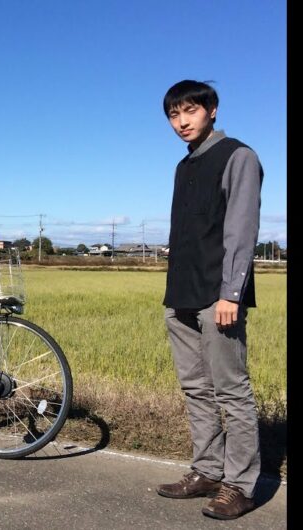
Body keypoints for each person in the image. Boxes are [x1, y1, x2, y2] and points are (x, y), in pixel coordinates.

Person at [155, 80, 264, 520]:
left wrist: (230, 294)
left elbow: (241, 230)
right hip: (180, 293)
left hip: (218, 298)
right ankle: (206, 470)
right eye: (173, 115)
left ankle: (240, 485)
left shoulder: (238, 156)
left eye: (190, 111)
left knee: (232, 392)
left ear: (212, 110)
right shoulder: (184, 167)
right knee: (196, 389)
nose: (181, 122)